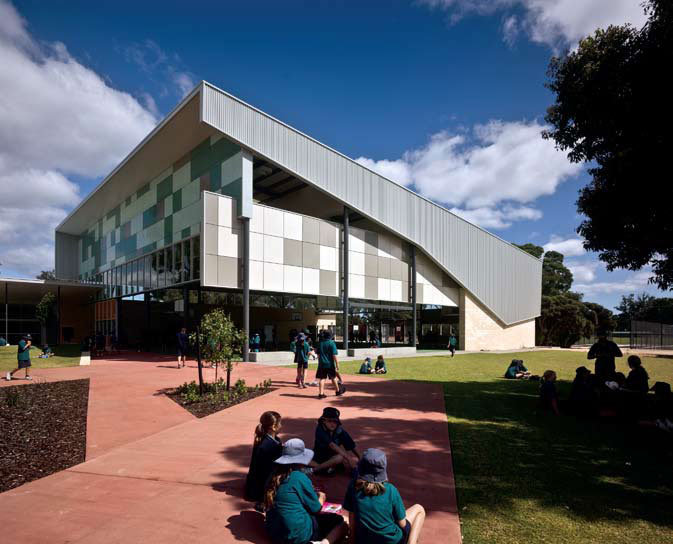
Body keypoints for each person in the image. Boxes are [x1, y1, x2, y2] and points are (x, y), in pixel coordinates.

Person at [264, 438, 347, 544]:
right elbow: (316, 509)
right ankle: (323, 543)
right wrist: (321, 497)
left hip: (274, 531)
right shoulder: (299, 477)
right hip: (297, 534)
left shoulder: (273, 475)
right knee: (339, 521)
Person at [343, 448, 426, 544]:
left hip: (364, 540)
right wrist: (409, 531)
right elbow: (402, 523)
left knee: (344, 520)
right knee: (419, 509)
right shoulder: (391, 490)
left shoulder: (353, 486)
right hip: (392, 541)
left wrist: (352, 539)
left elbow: (352, 516)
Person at [245, 411, 283, 510]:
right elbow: (265, 473)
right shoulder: (266, 446)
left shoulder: (271, 440)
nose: (281, 425)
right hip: (260, 489)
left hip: (257, 483)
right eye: (280, 423)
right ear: (273, 427)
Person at [313, 407, 360, 473]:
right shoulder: (320, 430)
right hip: (320, 457)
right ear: (323, 420)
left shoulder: (339, 430)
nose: (333, 424)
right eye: (330, 421)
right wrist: (349, 459)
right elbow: (332, 445)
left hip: (332, 456)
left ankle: (328, 468)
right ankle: (314, 470)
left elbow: (351, 445)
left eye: (335, 421)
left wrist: (362, 459)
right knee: (340, 458)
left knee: (356, 460)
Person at [317, 331, 344, 399]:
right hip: (330, 364)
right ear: (330, 336)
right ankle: (337, 391)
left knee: (322, 378)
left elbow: (318, 355)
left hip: (322, 364)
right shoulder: (332, 343)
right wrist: (337, 364)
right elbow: (334, 355)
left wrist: (319, 362)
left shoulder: (320, 343)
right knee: (333, 377)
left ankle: (321, 393)